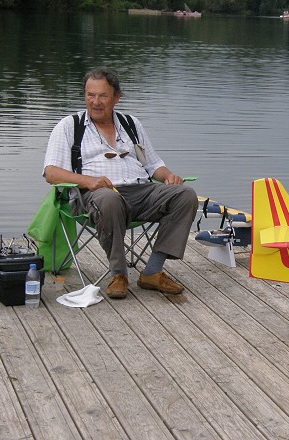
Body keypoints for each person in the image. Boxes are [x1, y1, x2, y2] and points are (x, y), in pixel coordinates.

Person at [43, 67, 198, 299]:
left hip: (141, 191)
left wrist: (168, 177)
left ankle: (152, 271)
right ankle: (118, 274)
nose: (95, 102)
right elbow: (51, 173)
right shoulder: (69, 126)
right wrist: (89, 181)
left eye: (102, 96)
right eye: (89, 95)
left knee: (185, 195)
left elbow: (153, 164)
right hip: (95, 196)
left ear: (116, 97)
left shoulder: (131, 123)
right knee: (109, 198)